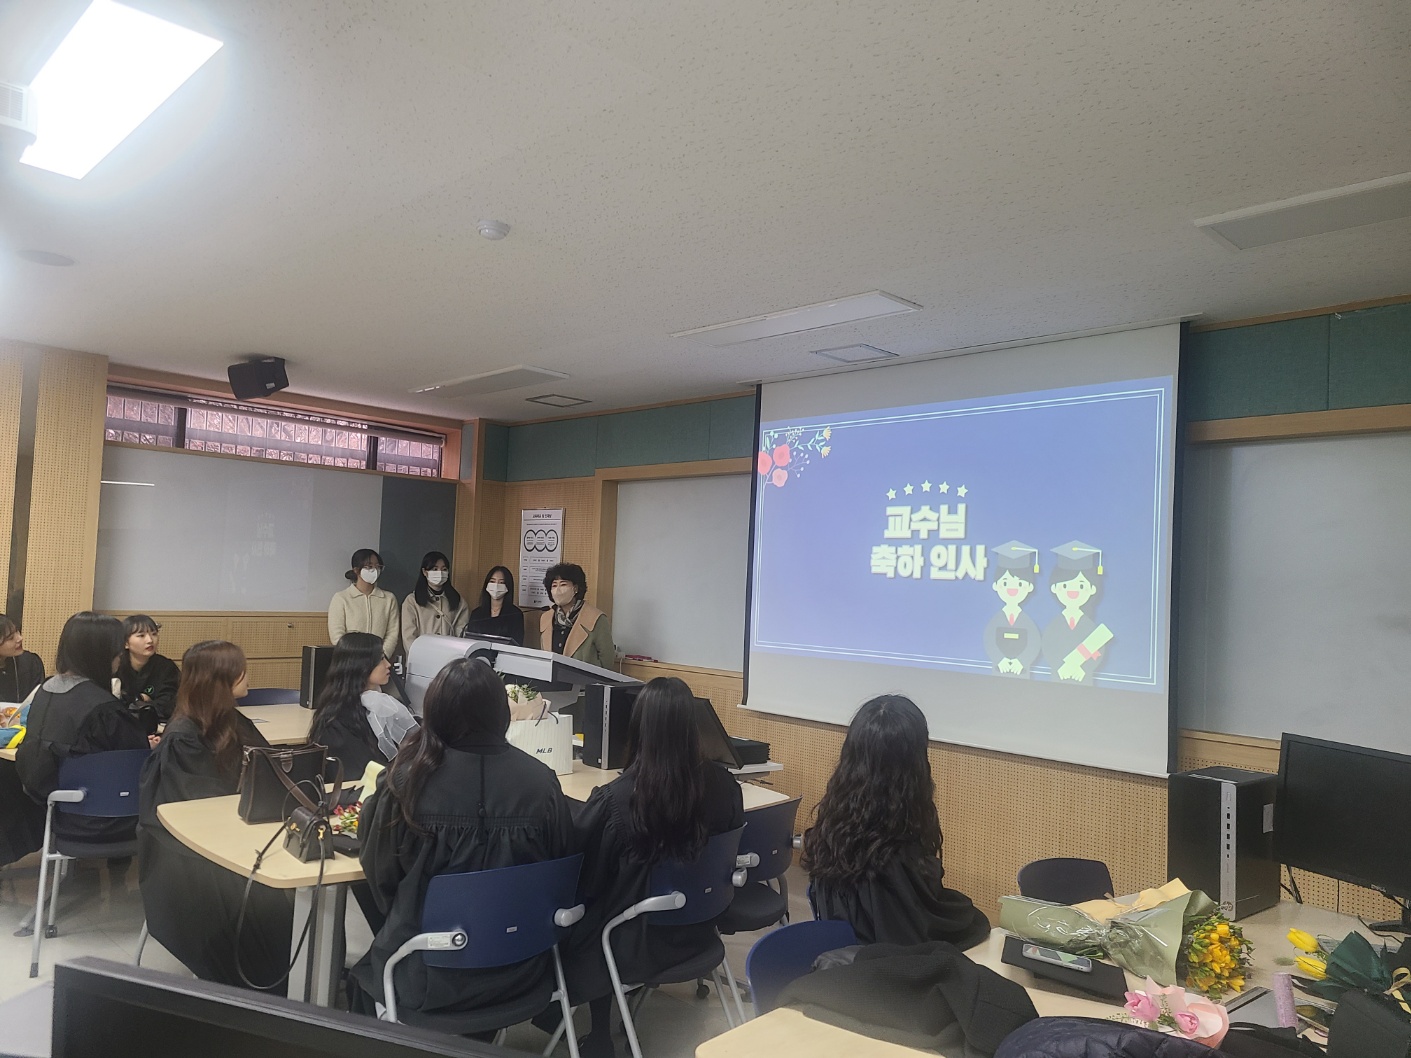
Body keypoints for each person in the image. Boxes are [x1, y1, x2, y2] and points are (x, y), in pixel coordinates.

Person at [349, 657, 574, 1023]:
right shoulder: (542, 782)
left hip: (425, 970)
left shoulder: (407, 781)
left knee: (363, 971)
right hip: (524, 968)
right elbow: (559, 867)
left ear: (434, 711)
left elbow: (381, 874)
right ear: (500, 712)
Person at [562, 677, 744, 1058]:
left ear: (639, 728)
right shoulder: (726, 787)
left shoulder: (618, 800)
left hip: (636, 943)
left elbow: (585, 879)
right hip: (702, 929)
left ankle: (597, 1033)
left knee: (589, 907)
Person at [137, 641, 294, 990]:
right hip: (193, 860)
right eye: (240, 670)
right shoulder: (184, 739)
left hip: (237, 841)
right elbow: (200, 813)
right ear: (220, 680)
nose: (247, 675)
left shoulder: (229, 721)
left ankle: (294, 975)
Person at [803, 695, 989, 950]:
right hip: (883, 962)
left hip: (846, 952)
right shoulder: (893, 848)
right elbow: (914, 935)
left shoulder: (834, 821)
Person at [16, 612, 151, 845]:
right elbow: (135, 760)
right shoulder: (103, 708)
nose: (121, 656)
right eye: (116, 649)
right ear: (100, 653)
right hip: (104, 817)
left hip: (51, 809)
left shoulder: (46, 690)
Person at [308, 631, 417, 778]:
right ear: (361, 665)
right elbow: (363, 772)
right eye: (380, 659)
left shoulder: (377, 704)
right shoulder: (338, 720)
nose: (388, 664)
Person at [328, 547, 400, 660]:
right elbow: (337, 634)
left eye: (377, 567)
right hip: (350, 660)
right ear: (356, 570)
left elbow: (392, 633)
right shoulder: (341, 598)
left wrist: (381, 656)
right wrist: (351, 656)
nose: (375, 570)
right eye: (369, 566)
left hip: (379, 660)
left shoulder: (388, 599)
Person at [540, 562, 614, 670]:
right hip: (552, 678)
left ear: (575, 588)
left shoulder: (596, 618)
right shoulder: (546, 618)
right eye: (554, 585)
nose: (558, 590)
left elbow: (607, 661)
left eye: (563, 584)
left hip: (584, 679)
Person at [115, 614, 181, 732]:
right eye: (141, 635)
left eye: (154, 634)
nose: (150, 640)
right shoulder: (116, 665)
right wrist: (141, 699)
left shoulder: (166, 667)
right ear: (125, 643)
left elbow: (168, 703)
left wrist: (136, 703)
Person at [400, 550, 469, 653]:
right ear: (425, 572)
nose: (440, 573)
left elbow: (462, 633)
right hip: (421, 656)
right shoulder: (412, 601)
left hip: (449, 656)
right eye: (435, 569)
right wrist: (418, 656)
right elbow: (408, 637)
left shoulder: (458, 600)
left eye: (444, 569)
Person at [465, 565, 525, 646]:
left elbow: (517, 643)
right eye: (492, 581)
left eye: (501, 582)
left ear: (508, 586)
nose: (496, 585)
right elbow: (469, 640)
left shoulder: (515, 614)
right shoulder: (476, 614)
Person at [0, 615, 44, 704]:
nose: (20, 638)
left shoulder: (31, 663)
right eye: (11, 638)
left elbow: (39, 701)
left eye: (17, 631)